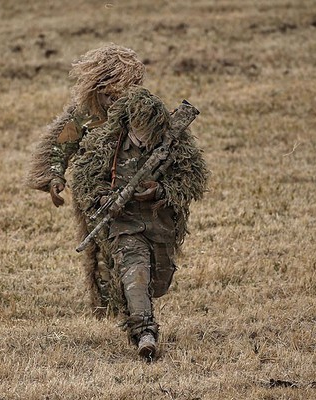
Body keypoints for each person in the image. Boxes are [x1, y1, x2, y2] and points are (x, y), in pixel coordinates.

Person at [27, 46, 208, 359]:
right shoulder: (83, 115)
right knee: (112, 255)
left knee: (157, 269)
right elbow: (60, 148)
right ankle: (137, 321)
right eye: (107, 93)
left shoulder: (147, 114)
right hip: (99, 197)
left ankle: (136, 297)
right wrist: (55, 178)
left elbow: (184, 163)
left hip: (152, 209)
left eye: (120, 92)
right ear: (96, 88)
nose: (113, 100)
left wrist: (161, 189)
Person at [70, 87, 208, 358]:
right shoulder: (106, 144)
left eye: (148, 129)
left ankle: (143, 314)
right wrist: (103, 200)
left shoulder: (173, 143)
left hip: (161, 226)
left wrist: (159, 191)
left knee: (158, 283)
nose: (143, 137)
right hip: (125, 226)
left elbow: (193, 180)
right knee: (134, 275)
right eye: (138, 129)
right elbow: (85, 181)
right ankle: (145, 333)